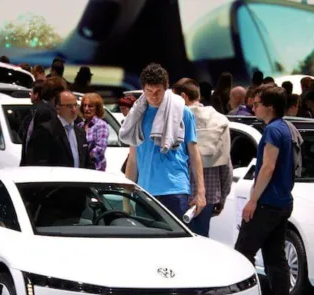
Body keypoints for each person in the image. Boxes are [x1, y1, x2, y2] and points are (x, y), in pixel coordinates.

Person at [233, 85, 294, 295]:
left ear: (269, 105)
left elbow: (267, 167)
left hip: (267, 203)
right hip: (282, 202)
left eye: (256, 103)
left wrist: (253, 200)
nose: (253, 107)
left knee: (242, 255)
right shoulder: (286, 128)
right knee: (275, 259)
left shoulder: (272, 131)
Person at [120, 63, 205, 220]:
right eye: (149, 91)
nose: (154, 96)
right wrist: (126, 199)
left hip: (175, 189)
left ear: (166, 87)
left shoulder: (182, 112)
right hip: (145, 192)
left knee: (177, 243)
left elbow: (194, 154)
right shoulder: (136, 115)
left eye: (158, 91)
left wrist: (201, 193)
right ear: (143, 89)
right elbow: (133, 160)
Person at [172, 78, 233, 237]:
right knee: (201, 241)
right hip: (208, 194)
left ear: (183, 97)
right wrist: (222, 198)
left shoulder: (174, 119)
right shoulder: (220, 120)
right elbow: (226, 164)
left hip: (176, 192)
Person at [26, 90, 94, 168]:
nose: (74, 110)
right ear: (58, 108)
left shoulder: (80, 132)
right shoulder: (46, 130)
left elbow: (87, 162)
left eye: (76, 105)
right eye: (69, 106)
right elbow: (39, 162)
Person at [77, 93, 109, 171]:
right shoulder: (79, 126)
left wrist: (84, 156)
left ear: (97, 108)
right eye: (84, 105)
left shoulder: (101, 125)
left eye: (90, 106)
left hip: (96, 169)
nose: (86, 109)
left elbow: (100, 149)